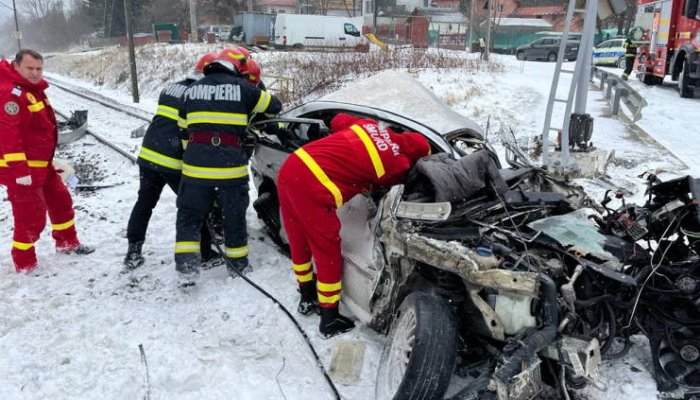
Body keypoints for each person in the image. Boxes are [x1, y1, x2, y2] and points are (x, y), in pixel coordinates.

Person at [276, 113, 432, 338]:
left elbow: (337, 119)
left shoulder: (370, 126)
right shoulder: (395, 164)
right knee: (327, 248)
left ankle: (306, 295)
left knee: (298, 238)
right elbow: (397, 188)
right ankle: (329, 319)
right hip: (313, 187)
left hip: (293, 167)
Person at [174, 48, 282, 287]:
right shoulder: (245, 89)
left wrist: (196, 157)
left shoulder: (190, 91)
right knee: (233, 216)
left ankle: (186, 270)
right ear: (237, 68)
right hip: (229, 169)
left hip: (194, 167)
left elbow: (183, 132)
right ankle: (238, 265)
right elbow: (274, 106)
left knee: (189, 217)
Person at [0, 49, 94, 272]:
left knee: (61, 202)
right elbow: (8, 137)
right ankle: (25, 263)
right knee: (30, 217)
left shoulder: (31, 90)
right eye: (29, 68)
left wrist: (48, 160)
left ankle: (67, 242)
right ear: (16, 66)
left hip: (42, 165)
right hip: (23, 171)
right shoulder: (11, 95)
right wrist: (20, 171)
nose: (35, 73)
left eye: (38, 69)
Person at [124, 52, 218, 270]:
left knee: (144, 203)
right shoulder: (200, 95)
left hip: (149, 154)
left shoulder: (171, 87)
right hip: (173, 160)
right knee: (195, 205)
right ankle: (206, 253)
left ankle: (133, 252)